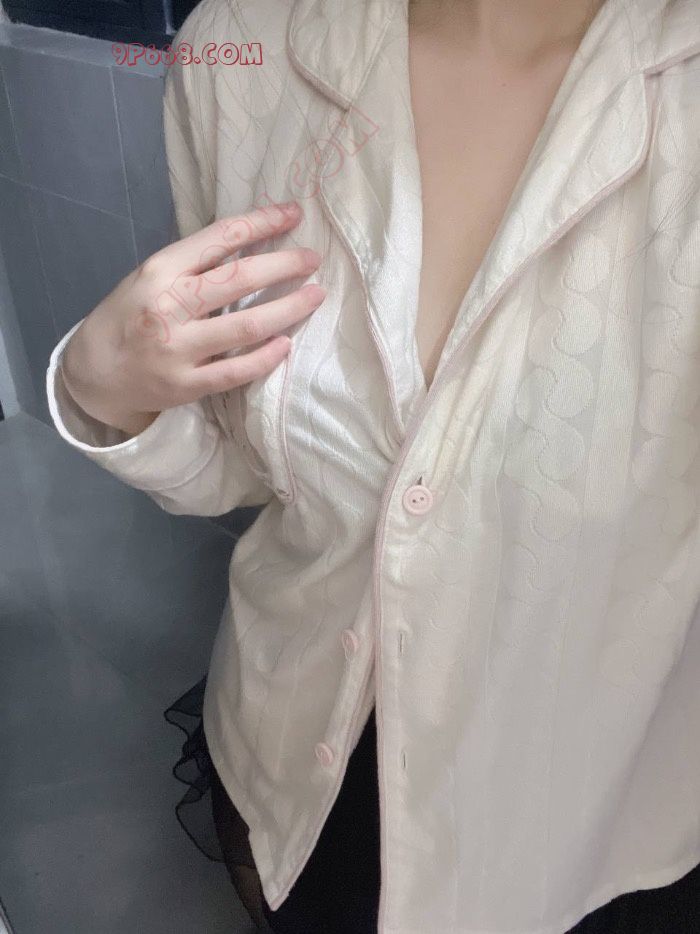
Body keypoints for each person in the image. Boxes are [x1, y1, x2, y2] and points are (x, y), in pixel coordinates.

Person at [45, 0, 700, 931]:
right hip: (300, 770)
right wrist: (104, 388)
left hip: (588, 818)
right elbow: (243, 459)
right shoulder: (241, 48)